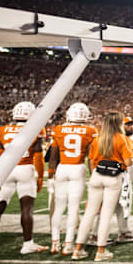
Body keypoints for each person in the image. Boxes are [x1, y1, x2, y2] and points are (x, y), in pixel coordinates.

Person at [0, 102, 48, 256]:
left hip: (7, 169)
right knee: (26, 208)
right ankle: (27, 244)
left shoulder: (2, 130)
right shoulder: (36, 128)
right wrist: (39, 178)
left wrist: (0, 174)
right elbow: (38, 156)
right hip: (25, 168)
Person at [72, 111, 133, 261]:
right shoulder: (122, 139)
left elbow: (92, 161)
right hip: (113, 178)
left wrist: (95, 174)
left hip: (96, 176)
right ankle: (101, 251)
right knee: (106, 214)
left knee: (89, 214)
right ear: (119, 123)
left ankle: (78, 249)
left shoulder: (97, 139)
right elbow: (128, 162)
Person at [48, 102, 97, 255]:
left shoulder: (59, 129)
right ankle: (68, 244)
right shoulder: (90, 130)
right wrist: (93, 174)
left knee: (59, 208)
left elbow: (53, 157)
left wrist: (50, 176)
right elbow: (91, 157)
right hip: (78, 168)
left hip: (62, 169)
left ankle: (54, 243)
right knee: (73, 208)